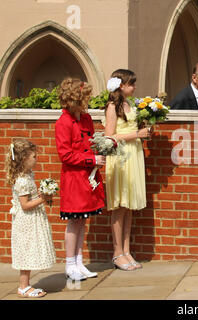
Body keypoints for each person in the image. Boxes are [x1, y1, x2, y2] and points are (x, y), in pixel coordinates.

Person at [55, 78, 105, 281]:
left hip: (88, 176)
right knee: (74, 221)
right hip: (74, 179)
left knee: (83, 220)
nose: (89, 100)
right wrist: (91, 158)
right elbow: (65, 155)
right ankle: (69, 264)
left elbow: (92, 142)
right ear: (76, 98)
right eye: (85, 96)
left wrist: (101, 152)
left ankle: (79, 262)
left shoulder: (86, 119)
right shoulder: (63, 123)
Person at [104, 69, 151, 271]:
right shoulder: (112, 107)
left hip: (134, 156)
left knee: (129, 206)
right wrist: (136, 134)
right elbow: (110, 137)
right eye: (131, 83)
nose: (134, 87)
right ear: (121, 85)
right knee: (119, 205)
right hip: (121, 158)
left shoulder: (130, 104)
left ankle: (126, 249)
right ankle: (117, 253)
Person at [6, 139, 56, 298]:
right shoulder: (22, 180)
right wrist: (44, 198)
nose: (36, 159)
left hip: (31, 219)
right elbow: (25, 205)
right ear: (24, 159)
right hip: (26, 221)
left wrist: (42, 195)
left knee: (30, 250)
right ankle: (23, 286)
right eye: (34, 156)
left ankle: (25, 284)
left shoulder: (28, 175)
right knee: (27, 252)